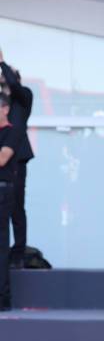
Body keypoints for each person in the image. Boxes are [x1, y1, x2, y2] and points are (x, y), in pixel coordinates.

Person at [0, 50, 34, 269]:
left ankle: (19, 252)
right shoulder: (3, 104)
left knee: (17, 207)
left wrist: (3, 63)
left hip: (17, 161)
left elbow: (13, 83)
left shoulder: (23, 98)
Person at [0, 93, 22, 311]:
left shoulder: (13, 132)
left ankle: (2, 298)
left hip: (3, 191)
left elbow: (2, 159)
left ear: (5, 109)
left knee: (1, 245)